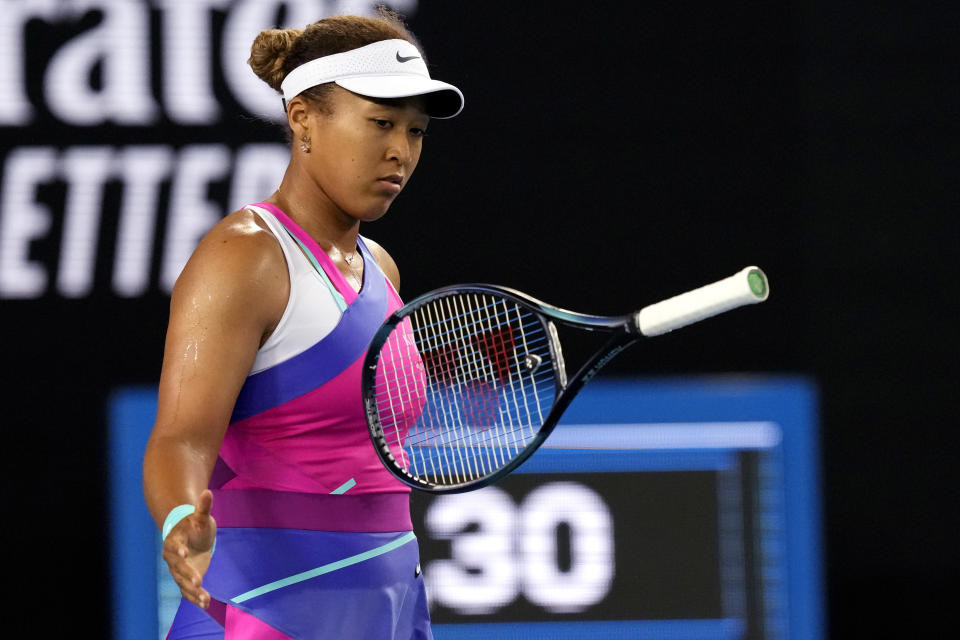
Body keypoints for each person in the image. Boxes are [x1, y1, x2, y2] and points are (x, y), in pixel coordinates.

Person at [142, 8, 463, 639]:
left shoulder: (382, 269)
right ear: (303, 120)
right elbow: (179, 438)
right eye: (379, 123)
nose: (400, 151)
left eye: (416, 131)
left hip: (390, 611)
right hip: (263, 617)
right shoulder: (244, 257)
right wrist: (183, 519)